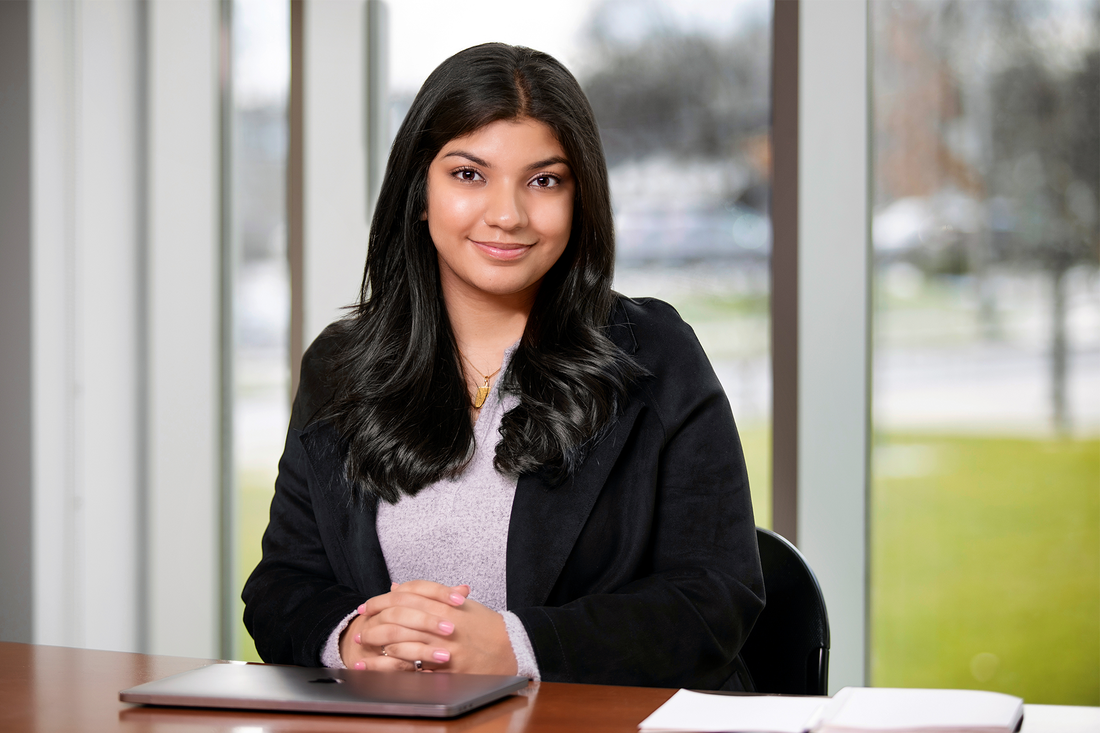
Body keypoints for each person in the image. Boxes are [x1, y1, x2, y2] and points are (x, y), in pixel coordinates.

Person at [242, 42, 764, 690]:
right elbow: (281, 585)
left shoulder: (653, 353)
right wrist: (350, 635)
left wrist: (516, 647)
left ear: (580, 200)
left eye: (544, 180)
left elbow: (715, 597)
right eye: (469, 174)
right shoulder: (342, 365)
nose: (507, 213)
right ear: (420, 192)